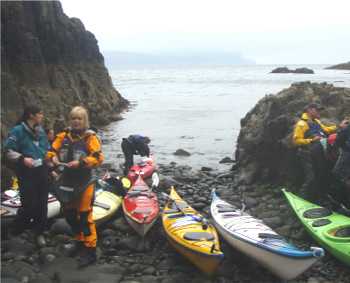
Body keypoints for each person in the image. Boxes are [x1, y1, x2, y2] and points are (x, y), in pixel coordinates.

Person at [47, 106, 103, 268]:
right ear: (70, 120)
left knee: (85, 215)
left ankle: (90, 249)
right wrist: (53, 159)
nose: (76, 121)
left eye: (79, 118)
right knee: (70, 214)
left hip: (85, 181)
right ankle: (79, 241)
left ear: (85, 121)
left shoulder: (90, 138)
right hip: (67, 180)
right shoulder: (63, 136)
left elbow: (98, 157)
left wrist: (81, 162)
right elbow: (50, 151)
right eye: (73, 118)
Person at [4, 105, 50, 246]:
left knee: (42, 203)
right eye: (40, 113)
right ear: (31, 115)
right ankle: (16, 228)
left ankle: (39, 233)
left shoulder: (40, 131)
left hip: (41, 170)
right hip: (26, 172)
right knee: (29, 204)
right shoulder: (18, 131)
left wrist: (51, 163)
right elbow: (7, 150)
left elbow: (46, 149)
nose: (42, 116)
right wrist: (23, 158)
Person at [292, 103, 337, 202]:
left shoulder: (316, 121)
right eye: (317, 110)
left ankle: (318, 198)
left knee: (321, 176)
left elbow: (326, 130)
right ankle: (300, 201)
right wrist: (311, 140)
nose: (319, 112)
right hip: (306, 153)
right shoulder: (301, 124)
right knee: (311, 178)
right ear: (309, 110)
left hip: (319, 154)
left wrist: (339, 127)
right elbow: (296, 141)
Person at [332, 118, 350, 207]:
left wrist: (341, 128)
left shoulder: (345, 130)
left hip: (347, 156)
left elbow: (336, 143)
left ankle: (343, 203)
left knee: (338, 175)